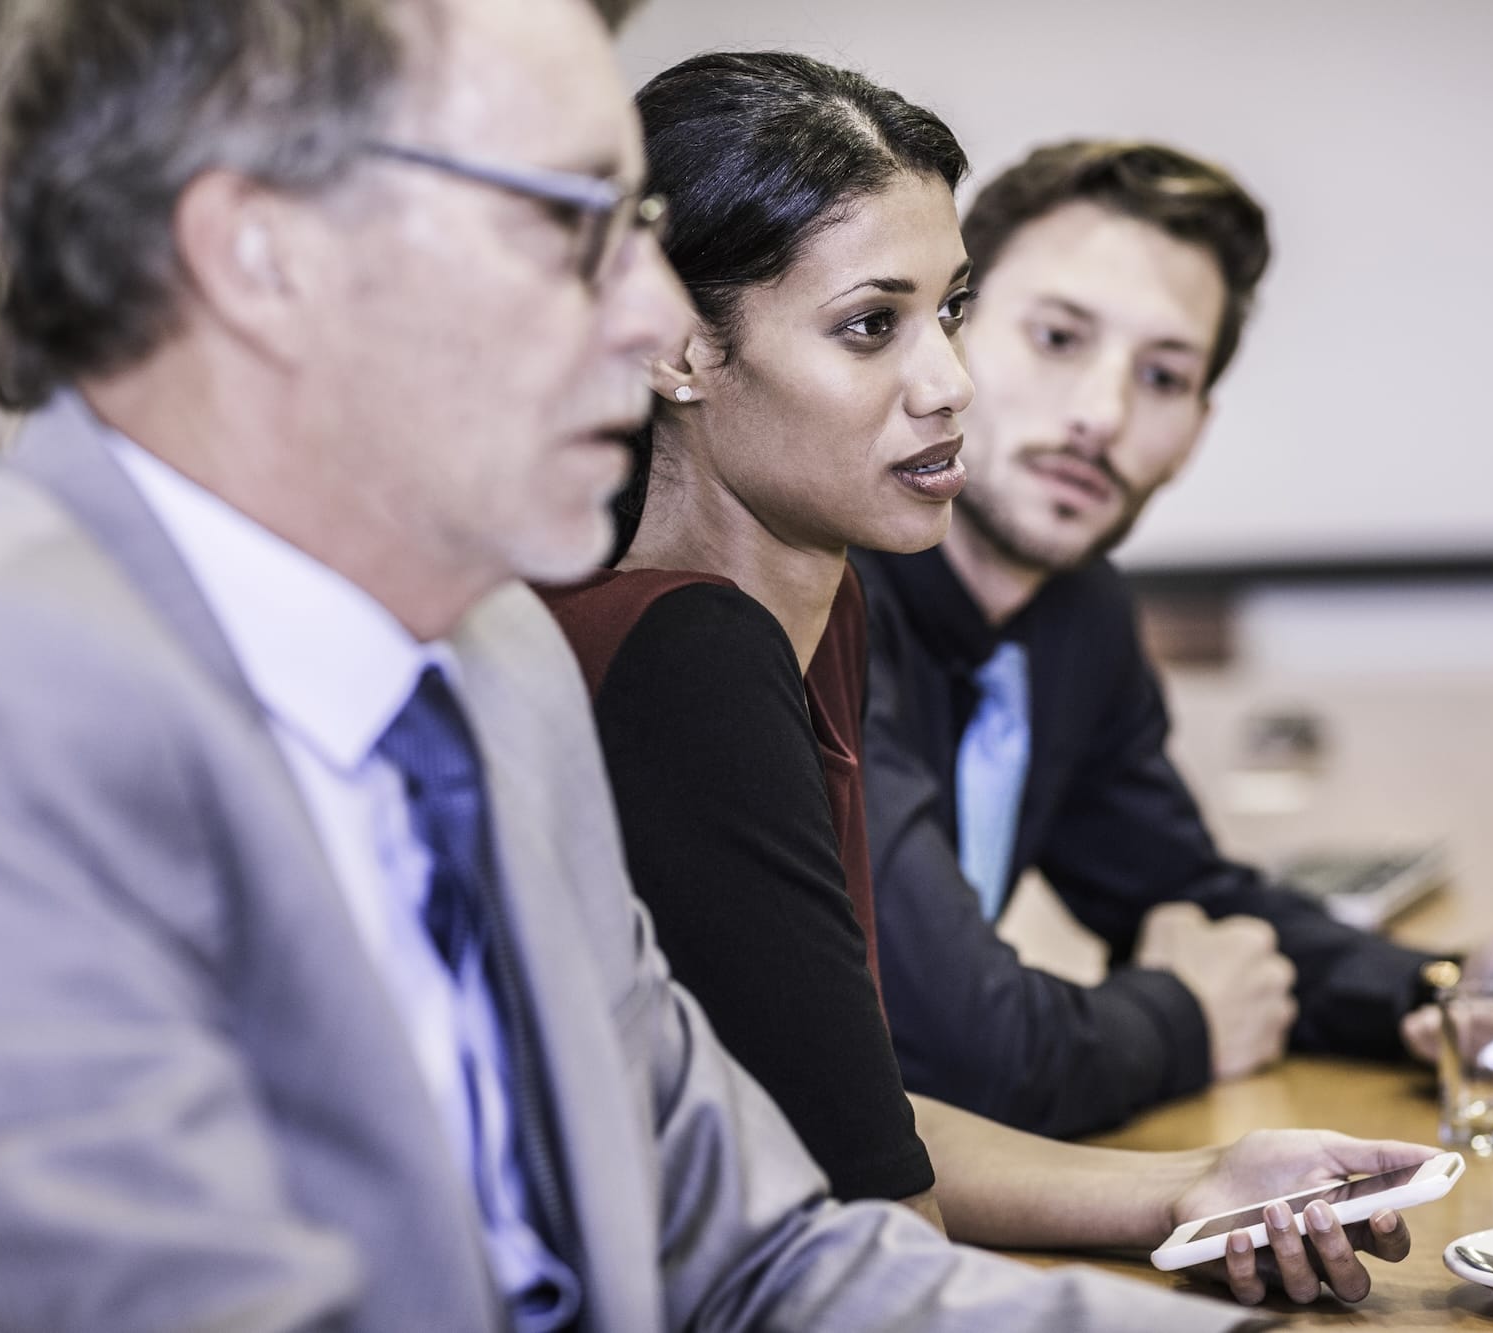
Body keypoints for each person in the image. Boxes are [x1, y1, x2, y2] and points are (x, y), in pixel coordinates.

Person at [0, 3, 1256, 1329]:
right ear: (261, 255)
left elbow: (761, 1252)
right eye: (571, 224)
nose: (652, 317)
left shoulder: (492, 659)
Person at [544, 51, 1428, 1309]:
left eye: (948, 312)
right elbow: (868, 1232)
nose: (951, 385)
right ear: (682, 347)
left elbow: (838, 1119)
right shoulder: (688, 650)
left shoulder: (814, 610)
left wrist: (1189, 1182)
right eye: (870, 326)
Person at [854, 140, 1493, 1138]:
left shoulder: (1076, 615)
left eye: (1163, 376)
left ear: (1198, 427)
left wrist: (1440, 990)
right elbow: (959, 1049)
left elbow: (1177, 891)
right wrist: (1186, 1019)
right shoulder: (824, 601)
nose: (1101, 415)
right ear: (949, 332)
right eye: (1057, 337)